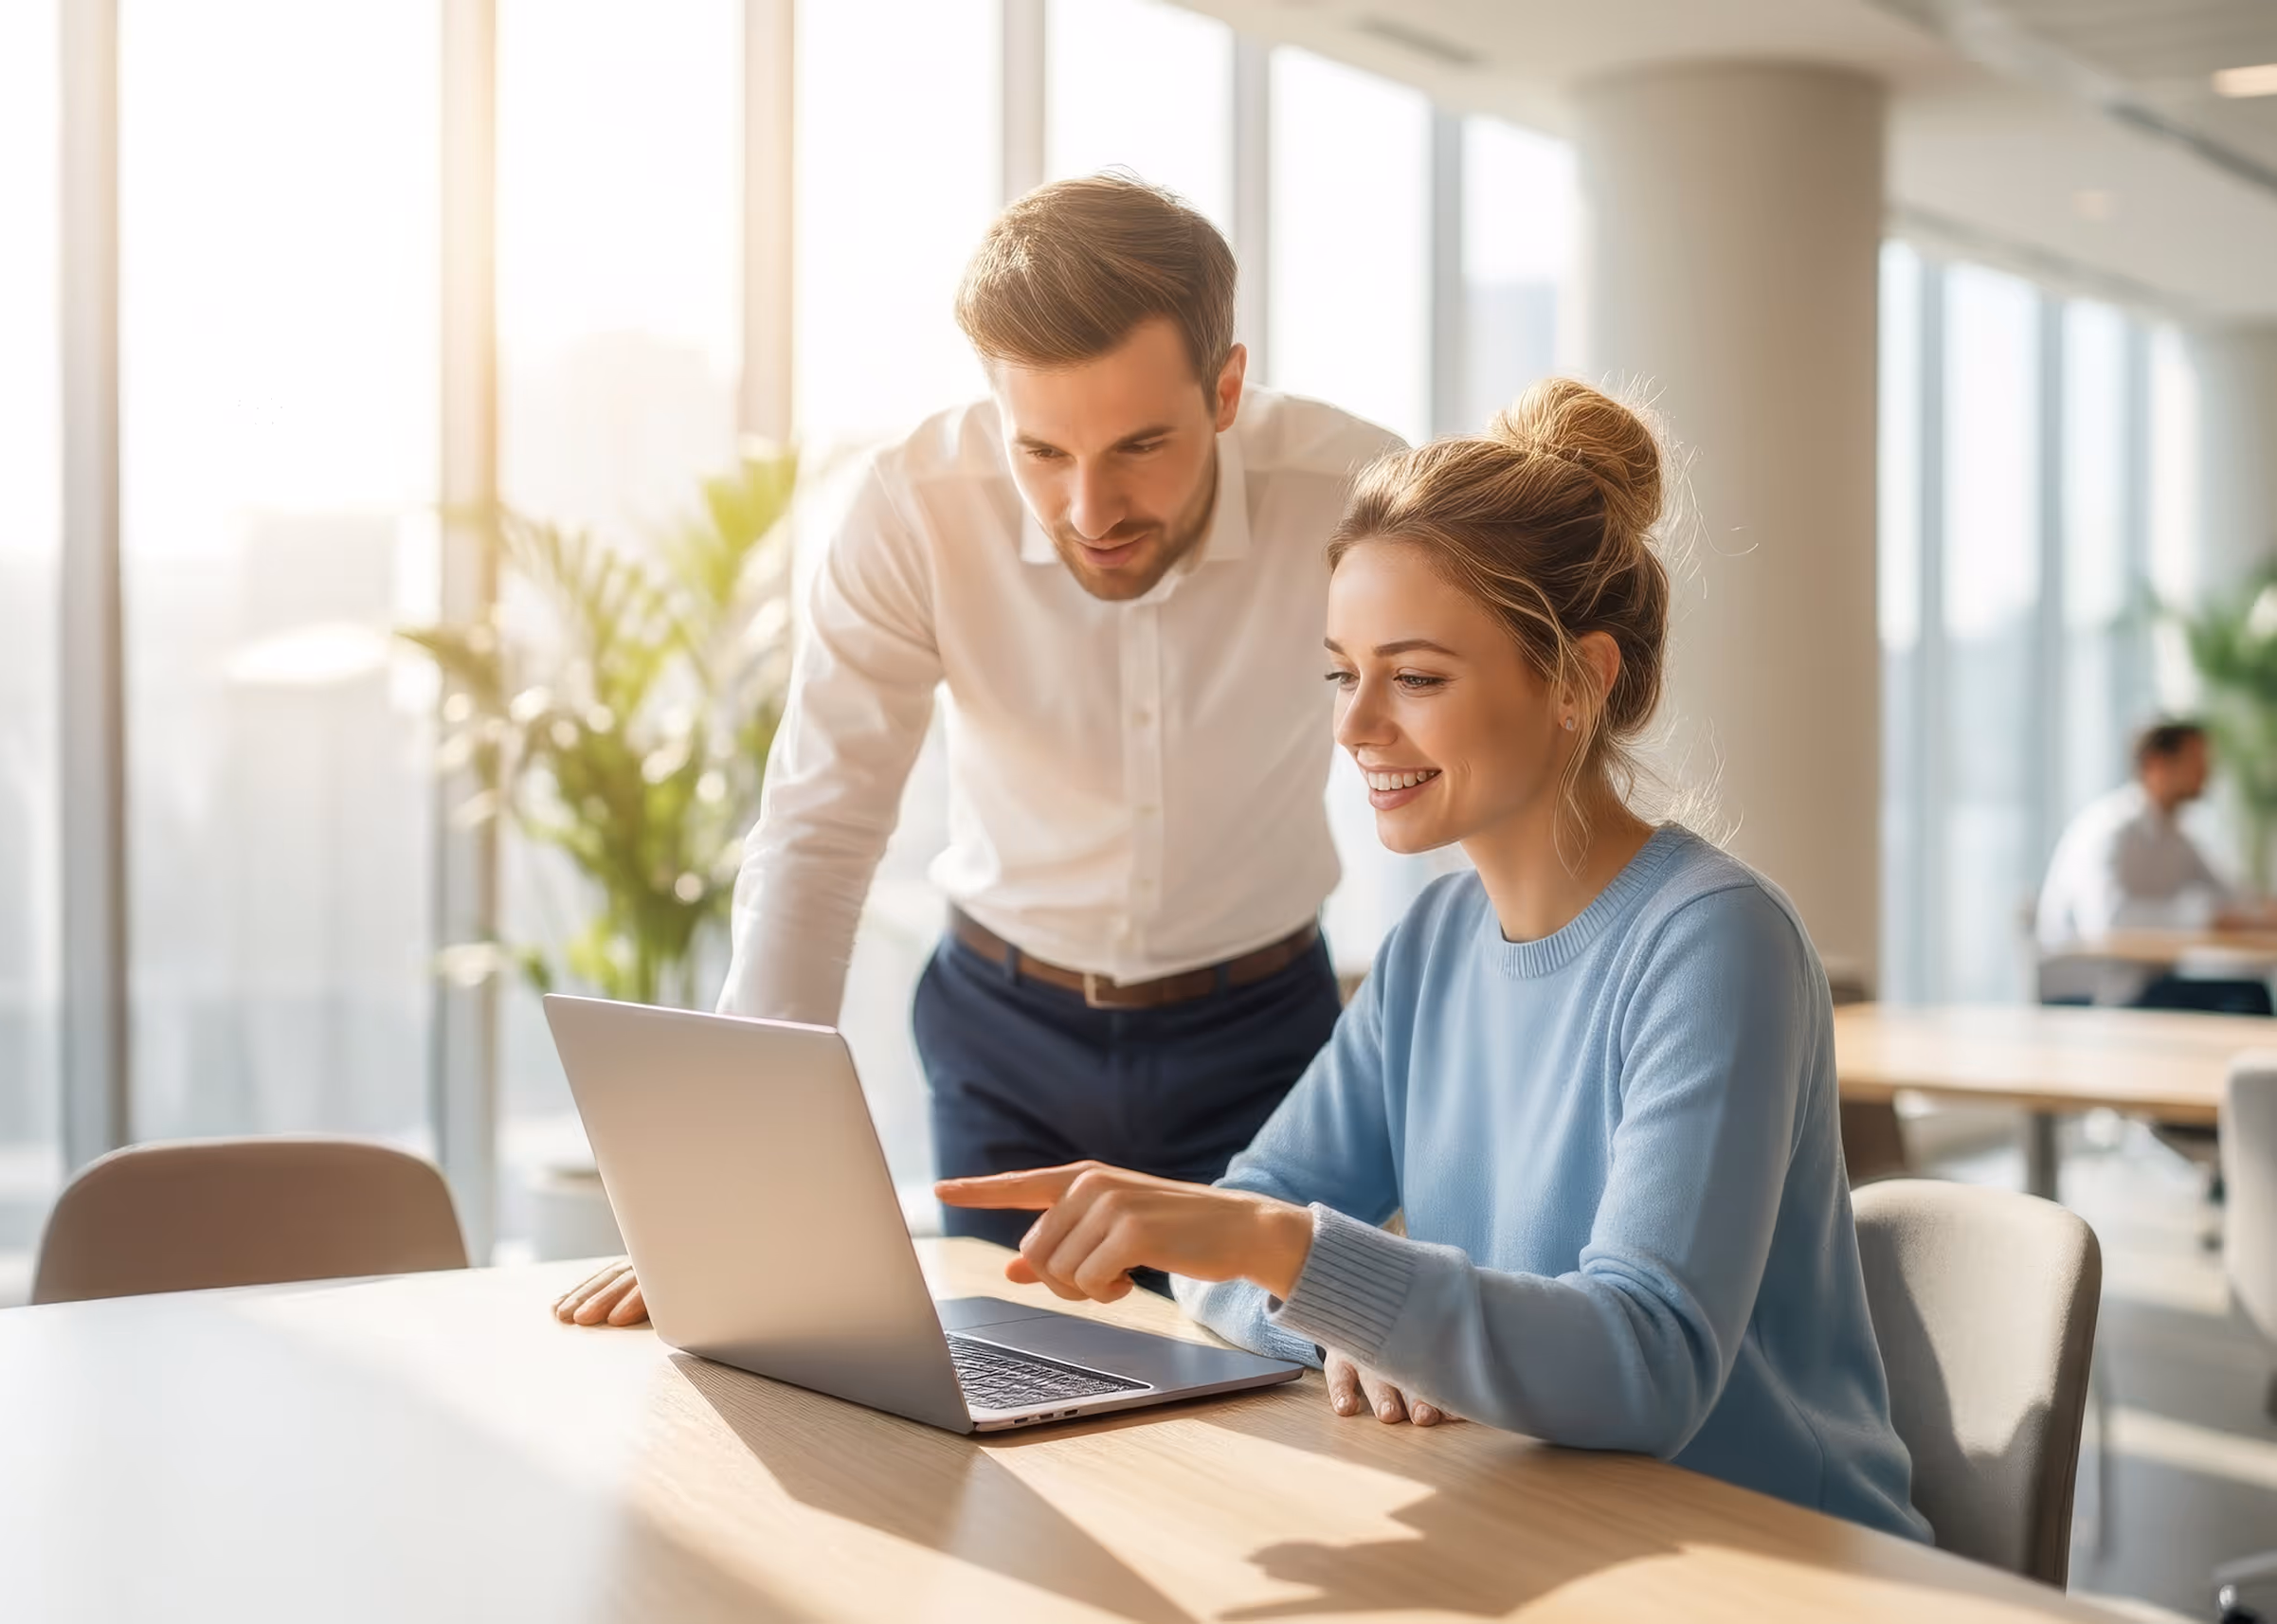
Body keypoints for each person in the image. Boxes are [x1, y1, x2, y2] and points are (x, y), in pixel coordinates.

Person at [939, 377, 1930, 1543]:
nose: (1356, 726)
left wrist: (1298, 1261)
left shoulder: (1715, 943)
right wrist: (1344, 1315)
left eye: (1414, 677)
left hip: (1767, 1561)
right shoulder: (1433, 946)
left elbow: (1648, 1362)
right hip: (1539, 1525)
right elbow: (1239, 1225)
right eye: (1340, 673)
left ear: (1579, 678)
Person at [553, 175, 1403, 1327]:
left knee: (1280, 1410)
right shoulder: (917, 508)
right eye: (1042, 451)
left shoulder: (1362, 498)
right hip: (1010, 1046)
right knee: (1027, 1400)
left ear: (1227, 389)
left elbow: (1468, 758)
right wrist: (720, 1207)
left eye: (1141, 444)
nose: (1091, 506)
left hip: (1267, 1045)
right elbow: (819, 832)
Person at [2034, 719, 2277, 1011]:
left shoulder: (2175, 836)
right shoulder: (2112, 830)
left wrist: (2260, 912)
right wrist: (2208, 918)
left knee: (2252, 993)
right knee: (2245, 1001)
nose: (2207, 773)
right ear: (2156, 764)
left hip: (2145, 984)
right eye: (2196, 761)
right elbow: (2111, 921)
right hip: (2094, 991)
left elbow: (2231, 892)